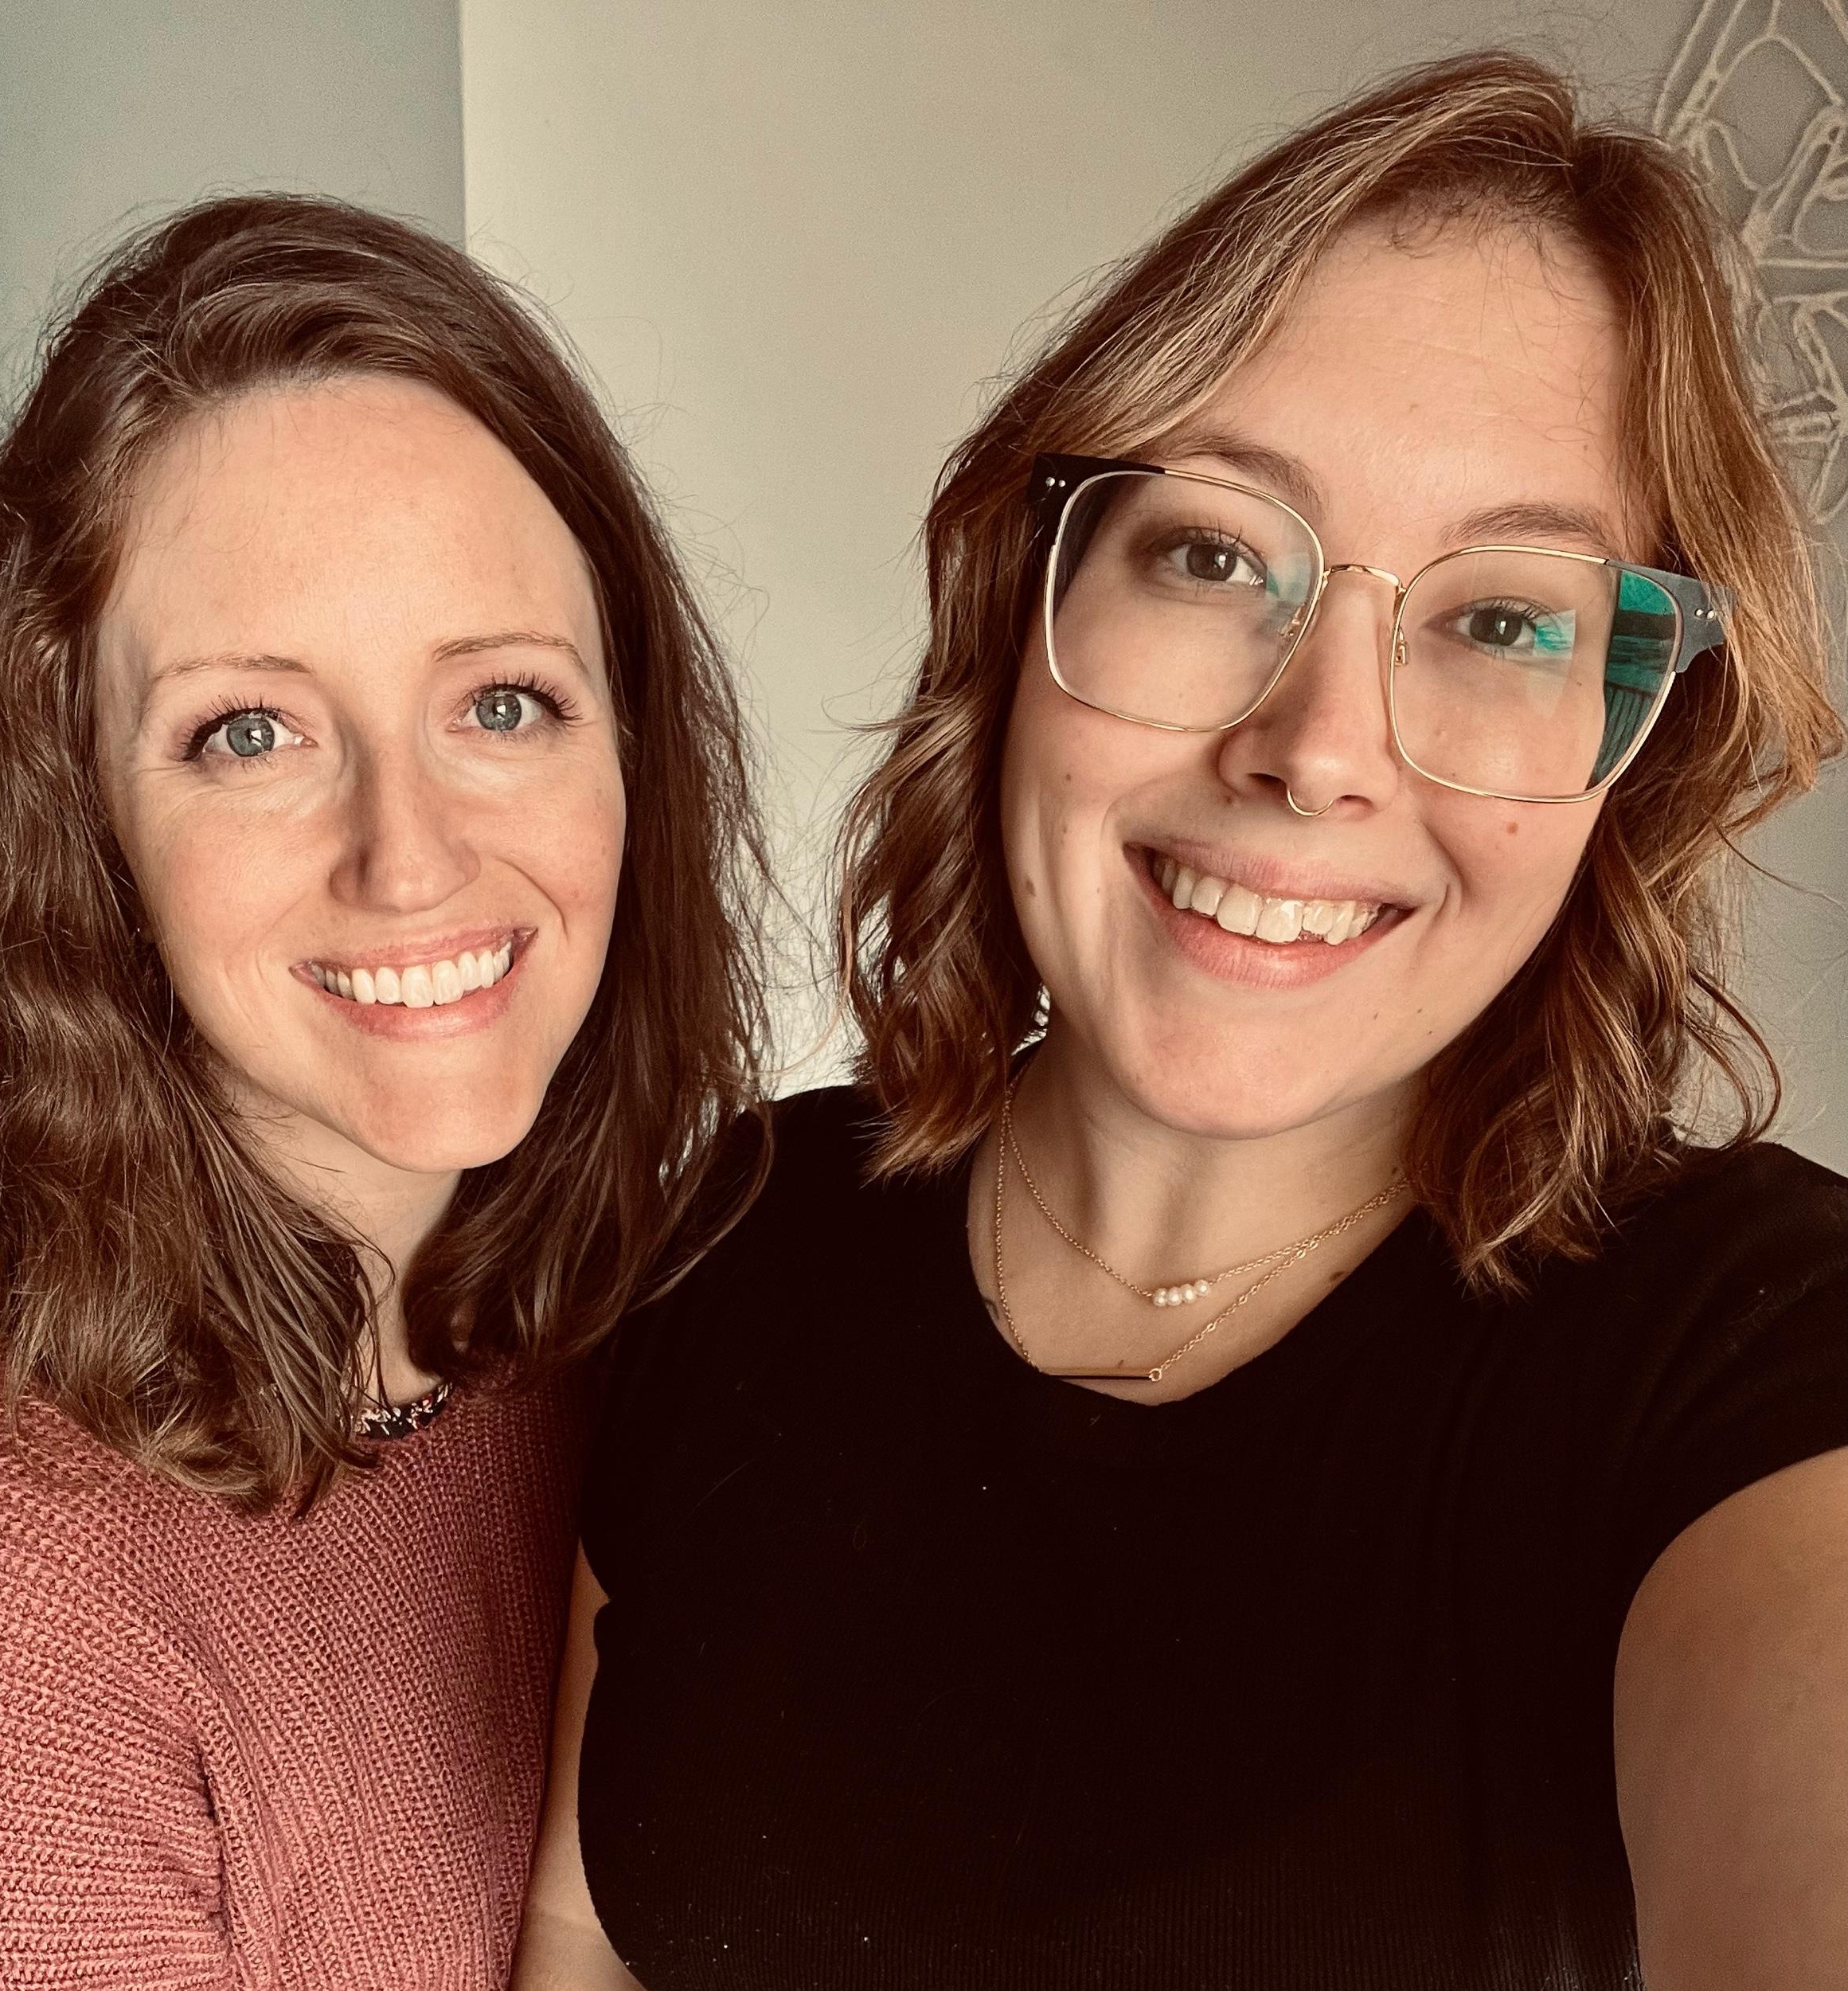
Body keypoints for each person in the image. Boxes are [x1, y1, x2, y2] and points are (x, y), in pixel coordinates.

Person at [518, 52, 1848, 1991]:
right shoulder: (732, 1236)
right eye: (1217, 553)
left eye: (1501, 619)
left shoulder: (1740, 1348)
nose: (1316, 747)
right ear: (1025, 602)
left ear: (1624, 746)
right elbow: (582, 1922)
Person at [0, 194, 766, 1988]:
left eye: (501, 703)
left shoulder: (641, 1314)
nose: (408, 858)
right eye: (249, 732)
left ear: (629, 742)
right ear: (85, 820)